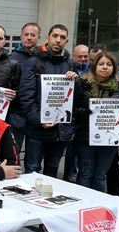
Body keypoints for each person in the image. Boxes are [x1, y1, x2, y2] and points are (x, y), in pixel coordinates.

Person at [19, 24, 76, 177]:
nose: (58, 40)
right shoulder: (33, 62)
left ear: (66, 41)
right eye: (55, 36)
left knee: (52, 170)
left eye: (62, 37)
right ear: (47, 38)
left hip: (60, 130)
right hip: (38, 129)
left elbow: (73, 98)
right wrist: (39, 120)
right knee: (32, 169)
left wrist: (76, 82)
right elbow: (26, 97)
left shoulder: (69, 63)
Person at [72, 52, 119, 192]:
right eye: (101, 64)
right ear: (94, 66)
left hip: (109, 140)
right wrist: (86, 112)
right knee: (85, 174)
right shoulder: (83, 83)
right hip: (85, 138)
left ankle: (97, 208)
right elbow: (72, 109)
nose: (105, 67)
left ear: (114, 68)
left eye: (109, 64)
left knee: (100, 176)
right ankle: (82, 207)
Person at [8, 23, 40, 158]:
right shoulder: (11, 58)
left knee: (34, 158)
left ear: (38, 37)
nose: (29, 38)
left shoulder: (43, 57)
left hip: (36, 113)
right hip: (17, 113)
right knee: (14, 154)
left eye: (33, 35)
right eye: (26, 34)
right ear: (21, 36)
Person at [62, 44, 91, 183]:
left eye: (86, 56)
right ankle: (68, 175)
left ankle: (78, 175)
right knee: (71, 151)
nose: (83, 59)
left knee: (83, 155)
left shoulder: (93, 71)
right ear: (74, 57)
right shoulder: (67, 69)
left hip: (86, 117)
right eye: (80, 56)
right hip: (70, 115)